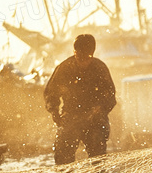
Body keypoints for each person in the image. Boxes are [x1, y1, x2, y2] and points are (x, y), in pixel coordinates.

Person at [44, 34, 116, 165]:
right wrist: (55, 112)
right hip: (71, 116)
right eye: (79, 56)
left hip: (95, 119)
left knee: (98, 158)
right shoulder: (64, 68)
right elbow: (51, 93)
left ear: (92, 55)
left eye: (86, 58)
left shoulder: (100, 68)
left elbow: (110, 96)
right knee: (62, 155)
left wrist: (100, 109)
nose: (82, 61)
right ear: (74, 52)